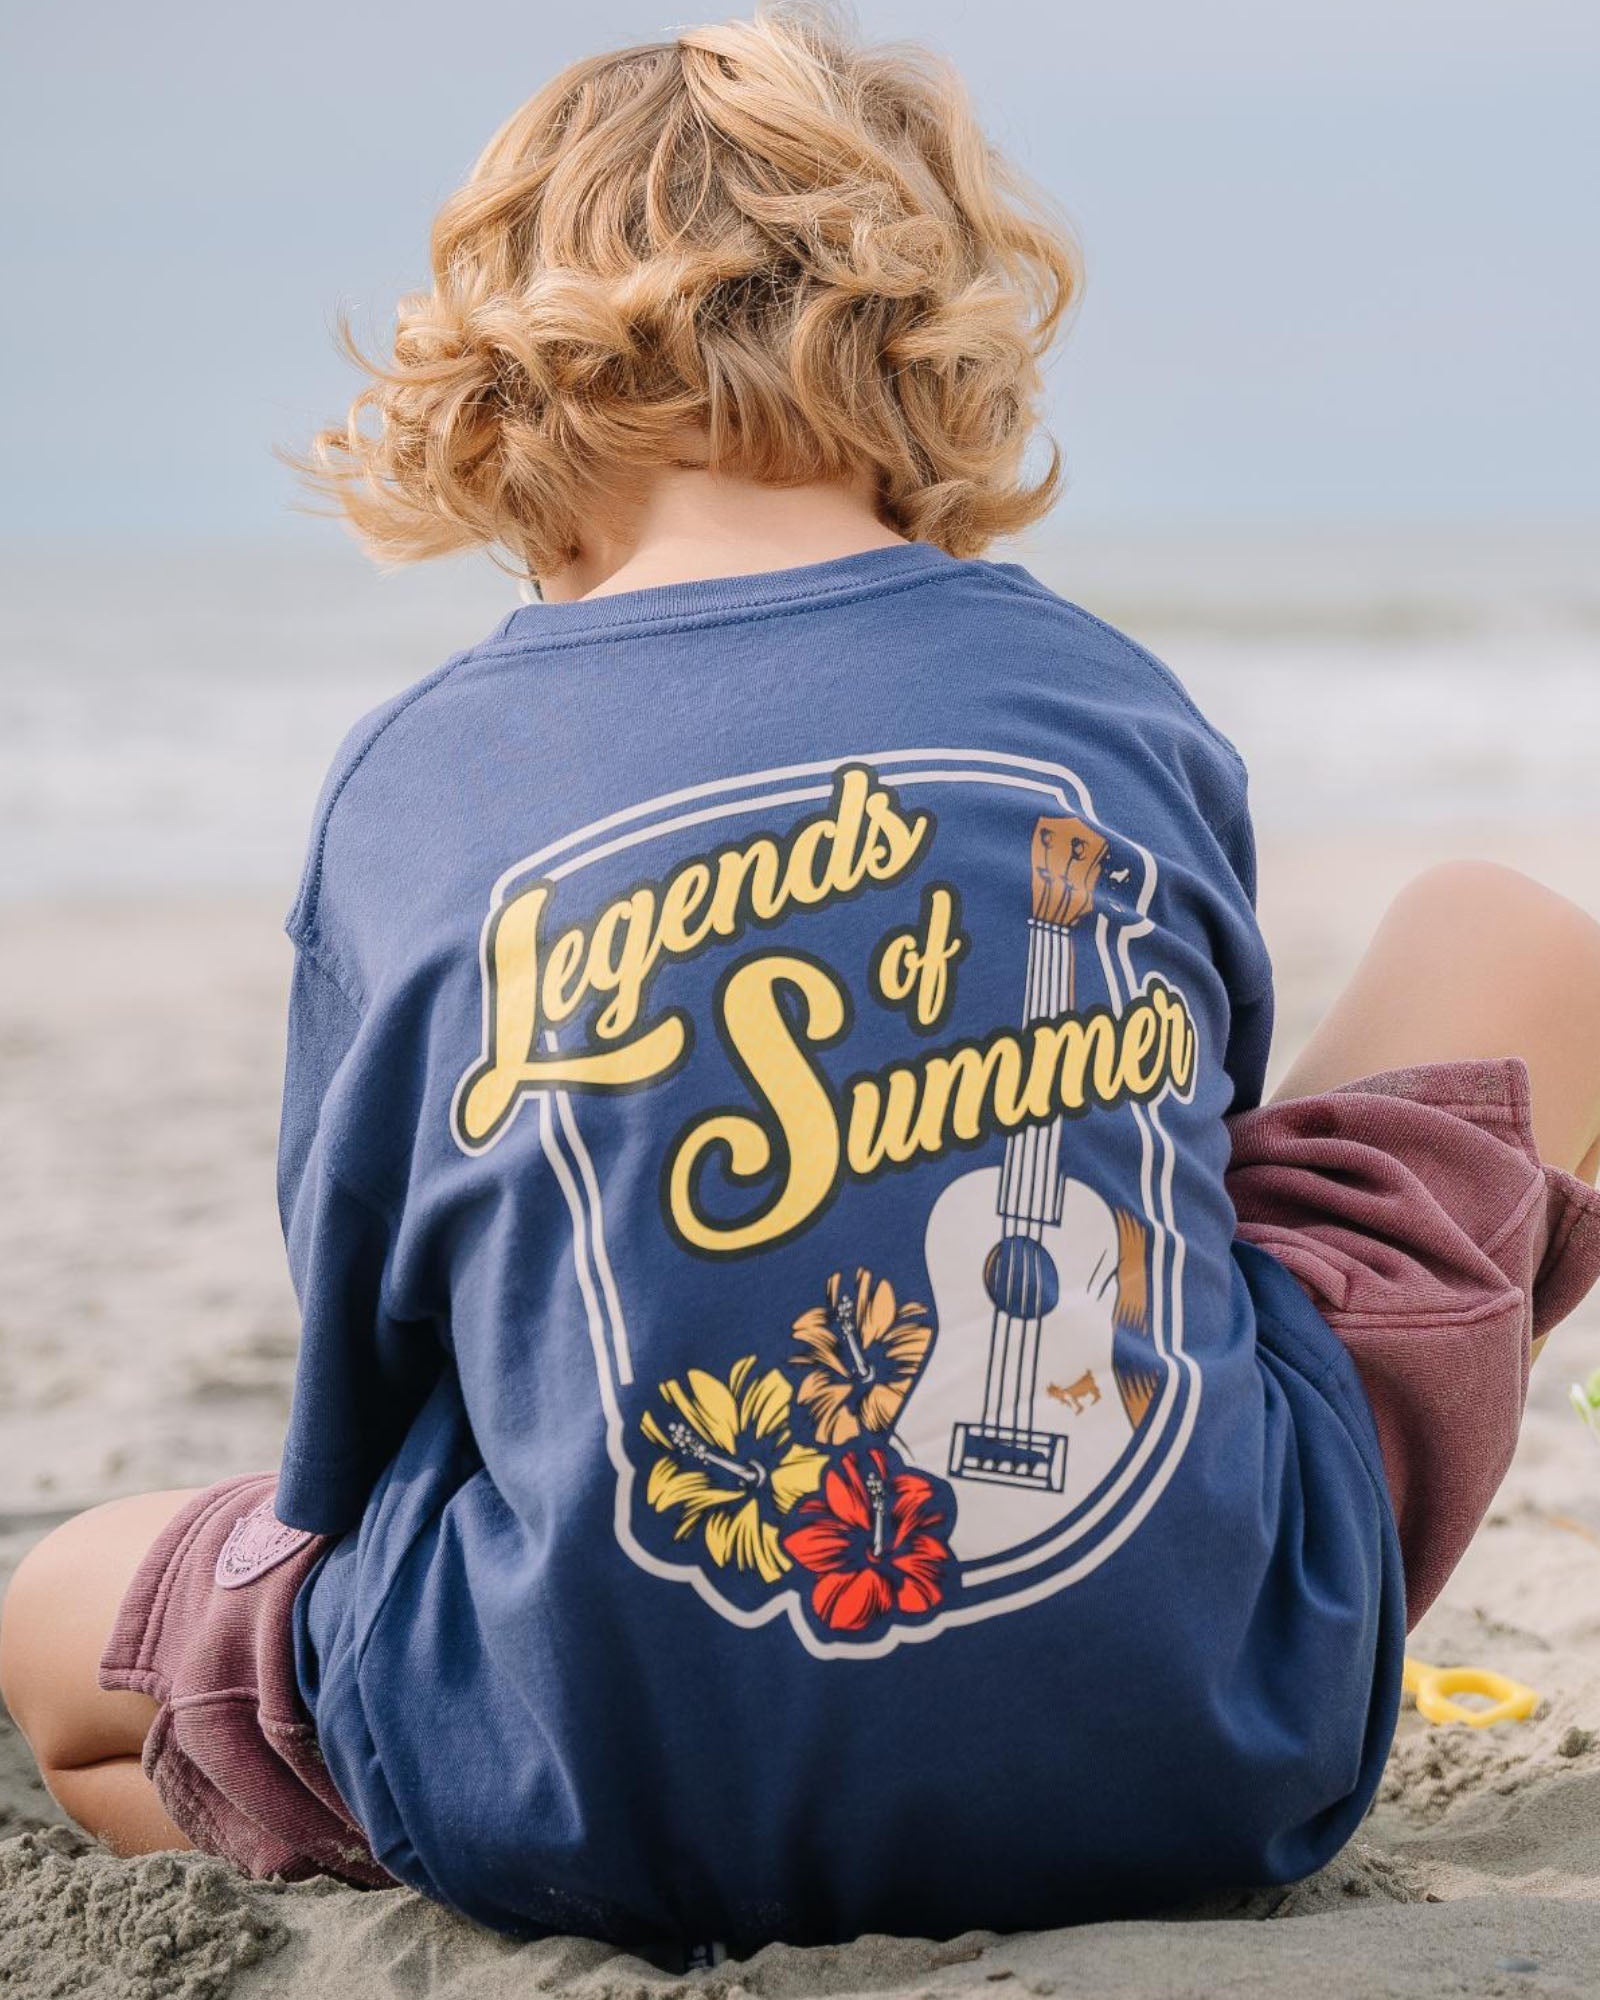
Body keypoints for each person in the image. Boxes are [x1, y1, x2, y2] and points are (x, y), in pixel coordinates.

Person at [4, 5, 1599, 1956]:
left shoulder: (417, 779)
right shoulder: (1102, 697)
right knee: (1517, 934)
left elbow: (363, 1412)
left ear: (495, 385)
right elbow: (1198, 1187)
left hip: (592, 1787)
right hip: (1211, 1745)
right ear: (932, 332)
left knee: (62, 1626)